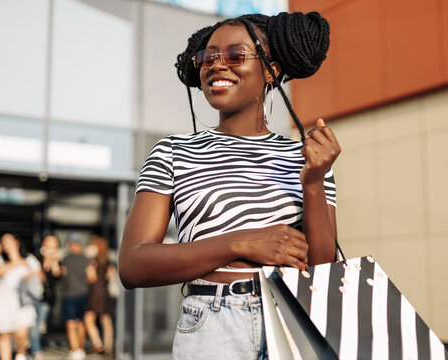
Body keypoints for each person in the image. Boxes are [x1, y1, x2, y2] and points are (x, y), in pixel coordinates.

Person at [119, 11, 340, 360]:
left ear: (271, 70)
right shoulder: (173, 151)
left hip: (293, 322)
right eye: (208, 57)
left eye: (236, 56)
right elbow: (133, 265)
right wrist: (243, 242)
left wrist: (313, 181)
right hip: (212, 326)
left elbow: (323, 269)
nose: (217, 65)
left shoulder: (306, 156)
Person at [0, 233, 37, 360]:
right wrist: (18, 263)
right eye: (3, 242)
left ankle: (21, 354)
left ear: (16, 242)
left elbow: (39, 275)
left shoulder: (29, 258)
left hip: (22, 301)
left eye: (8, 241)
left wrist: (31, 276)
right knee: (4, 334)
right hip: (3, 301)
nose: (5, 244)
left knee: (21, 333)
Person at [30, 235, 63, 360]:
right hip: (34, 295)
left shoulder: (58, 258)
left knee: (41, 325)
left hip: (46, 298)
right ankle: (36, 350)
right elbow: (40, 272)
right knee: (34, 324)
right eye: (49, 242)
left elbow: (57, 276)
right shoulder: (37, 256)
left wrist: (55, 260)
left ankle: (36, 346)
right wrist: (48, 258)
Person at [83, 236, 116, 357]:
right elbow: (111, 276)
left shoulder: (93, 261)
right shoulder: (107, 261)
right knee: (106, 320)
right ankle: (108, 348)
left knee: (88, 318)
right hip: (105, 294)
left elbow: (91, 278)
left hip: (95, 294)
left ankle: (98, 344)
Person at [61, 233, 90, 360]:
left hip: (69, 294)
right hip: (84, 293)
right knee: (81, 323)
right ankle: (80, 349)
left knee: (71, 323)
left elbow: (62, 274)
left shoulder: (66, 259)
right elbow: (91, 277)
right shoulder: (86, 259)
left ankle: (75, 350)